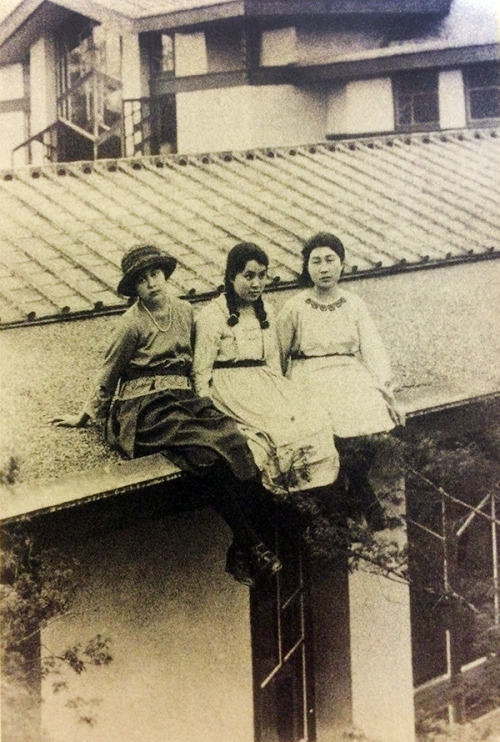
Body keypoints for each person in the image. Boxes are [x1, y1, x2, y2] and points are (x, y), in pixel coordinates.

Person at [51, 243, 282, 587]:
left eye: (155, 274)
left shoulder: (186, 312)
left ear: (165, 275)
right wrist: (86, 414)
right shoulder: (130, 325)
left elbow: (200, 360)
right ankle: (252, 544)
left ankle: (242, 548)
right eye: (142, 280)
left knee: (235, 440)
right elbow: (108, 373)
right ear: (135, 289)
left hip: (183, 401)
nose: (152, 283)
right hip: (144, 408)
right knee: (205, 455)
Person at [192, 242, 339, 502]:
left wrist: (282, 393)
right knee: (272, 434)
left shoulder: (267, 311)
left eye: (262, 276)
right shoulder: (212, 316)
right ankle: (280, 496)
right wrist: (205, 407)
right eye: (248, 276)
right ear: (231, 276)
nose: (256, 283)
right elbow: (201, 370)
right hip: (231, 387)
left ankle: (306, 494)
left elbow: (272, 361)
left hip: (264, 383)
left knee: (313, 419)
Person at [277, 232, 405, 530]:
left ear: (342, 264)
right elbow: (279, 354)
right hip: (309, 372)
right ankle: (358, 496)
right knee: (327, 429)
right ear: (306, 267)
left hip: (349, 371)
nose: (324, 268)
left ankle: (358, 486)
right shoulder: (295, 306)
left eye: (330, 260)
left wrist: (384, 385)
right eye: (316, 261)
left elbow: (371, 346)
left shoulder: (354, 304)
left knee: (374, 421)